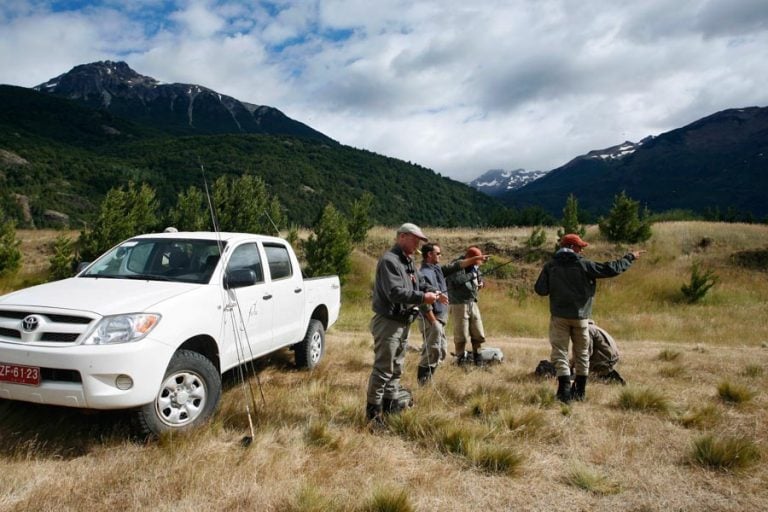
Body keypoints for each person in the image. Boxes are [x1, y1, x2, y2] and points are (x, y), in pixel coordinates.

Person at [534, 233, 643, 403]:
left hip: (559, 317)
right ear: (571, 248)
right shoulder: (584, 265)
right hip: (581, 317)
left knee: (560, 353)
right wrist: (629, 258)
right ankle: (580, 392)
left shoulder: (551, 266)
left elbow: (540, 290)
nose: (581, 251)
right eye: (579, 248)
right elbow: (610, 269)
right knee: (582, 353)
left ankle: (563, 393)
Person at [365, 223, 445, 424]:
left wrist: (434, 293)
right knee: (383, 369)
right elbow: (395, 292)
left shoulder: (407, 261)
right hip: (389, 323)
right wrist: (422, 297)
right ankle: (373, 415)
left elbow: (420, 283)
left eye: (420, 240)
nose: (418, 243)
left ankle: (390, 406)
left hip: (403, 322)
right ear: (401, 237)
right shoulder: (389, 261)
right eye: (415, 238)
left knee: (397, 367)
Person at [417, 243, 488, 384]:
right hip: (433, 317)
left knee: (440, 351)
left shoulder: (437, 269)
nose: (440, 256)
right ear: (429, 255)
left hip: (441, 317)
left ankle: (429, 381)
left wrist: (476, 264)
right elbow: (422, 297)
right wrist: (433, 321)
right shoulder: (424, 273)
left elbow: (456, 266)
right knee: (432, 351)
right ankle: (424, 383)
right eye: (438, 253)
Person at [446, 246, 490, 366]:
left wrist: (481, 282)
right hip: (459, 303)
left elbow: (479, 276)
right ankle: (459, 359)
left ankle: (478, 359)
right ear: (469, 258)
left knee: (478, 333)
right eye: (476, 262)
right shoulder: (456, 265)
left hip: (473, 302)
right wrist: (473, 274)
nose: (477, 265)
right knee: (461, 335)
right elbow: (458, 280)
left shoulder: (473, 267)